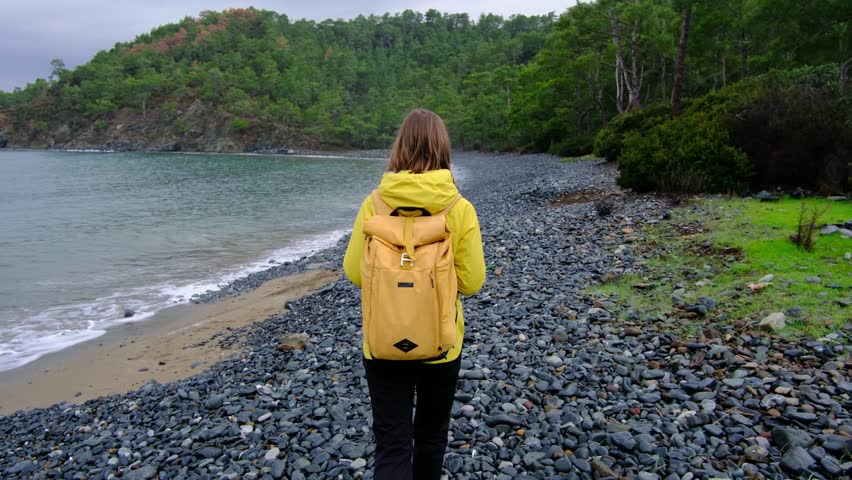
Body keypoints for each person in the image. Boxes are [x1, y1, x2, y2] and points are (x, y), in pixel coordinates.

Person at [343, 108, 486, 479]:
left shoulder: (374, 204)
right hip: (441, 343)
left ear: (400, 147)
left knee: (392, 443)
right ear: (443, 148)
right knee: (431, 436)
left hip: (383, 340)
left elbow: (354, 273)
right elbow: (472, 283)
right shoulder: (459, 209)